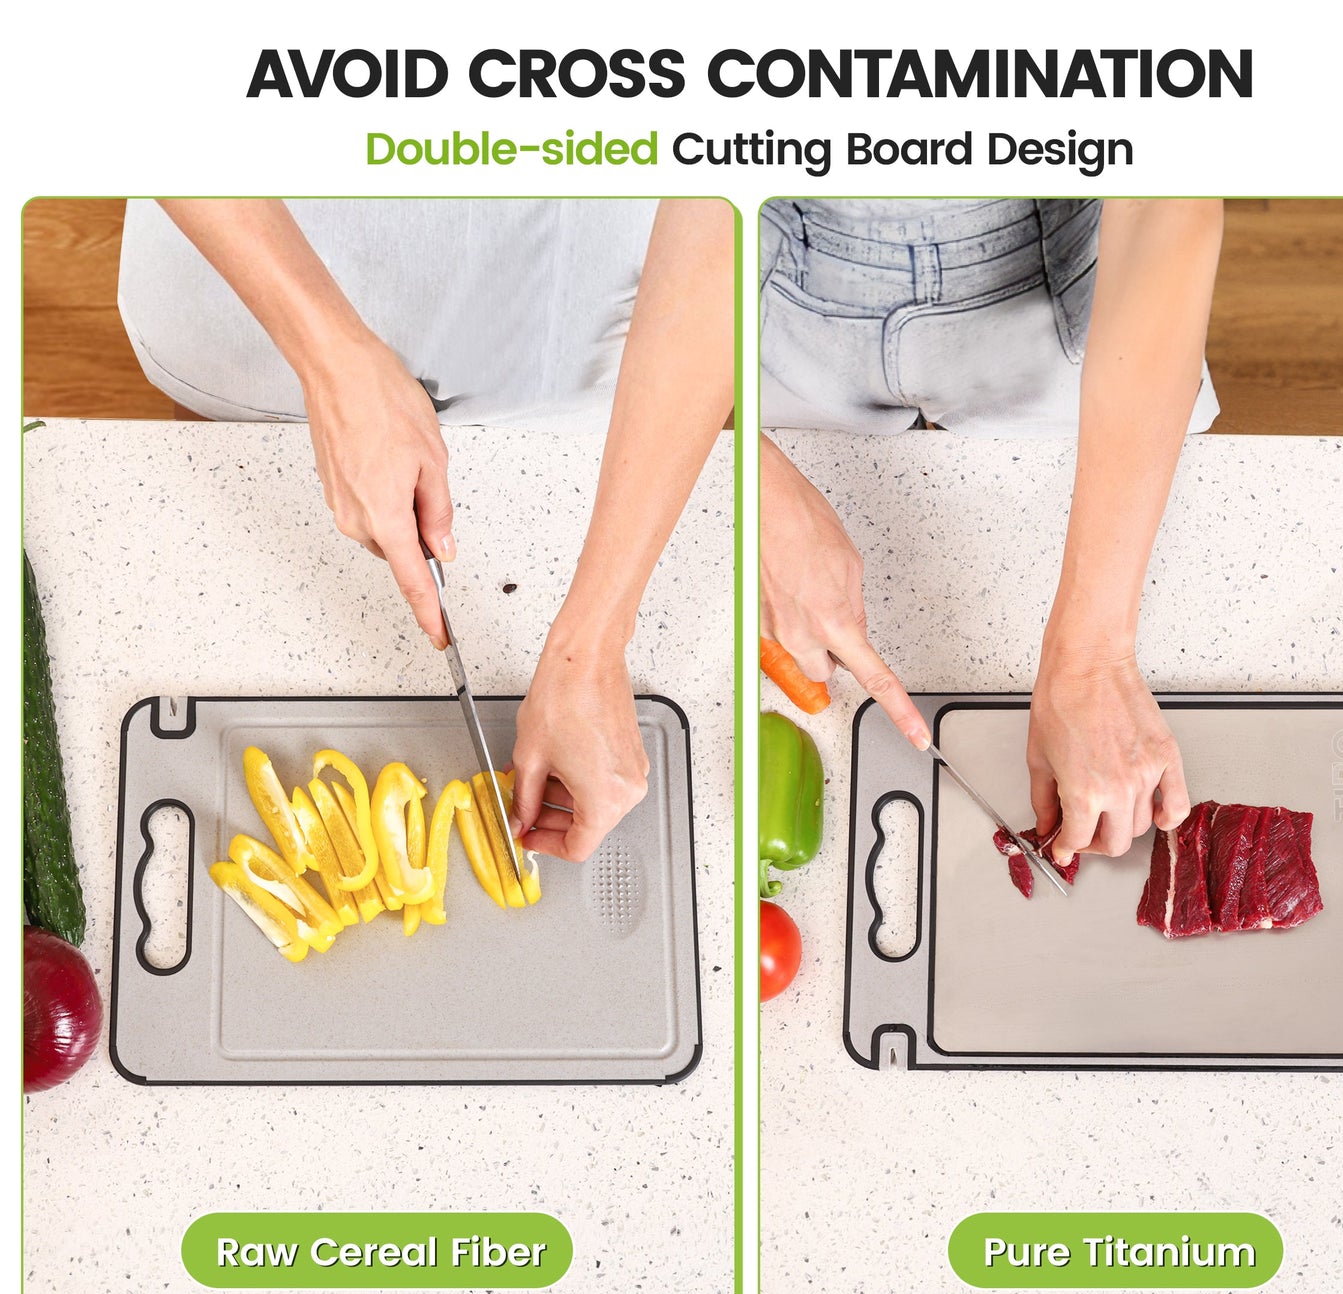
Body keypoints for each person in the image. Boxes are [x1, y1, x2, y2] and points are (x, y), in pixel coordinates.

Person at [119, 198, 734, 861]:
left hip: (584, 353)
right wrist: (329, 356)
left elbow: (714, 216)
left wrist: (595, 639)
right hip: (254, 292)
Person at [759, 197, 1222, 866]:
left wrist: (1094, 651)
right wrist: (754, 480)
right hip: (760, 289)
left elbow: (1163, 201)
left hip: (1063, 289)